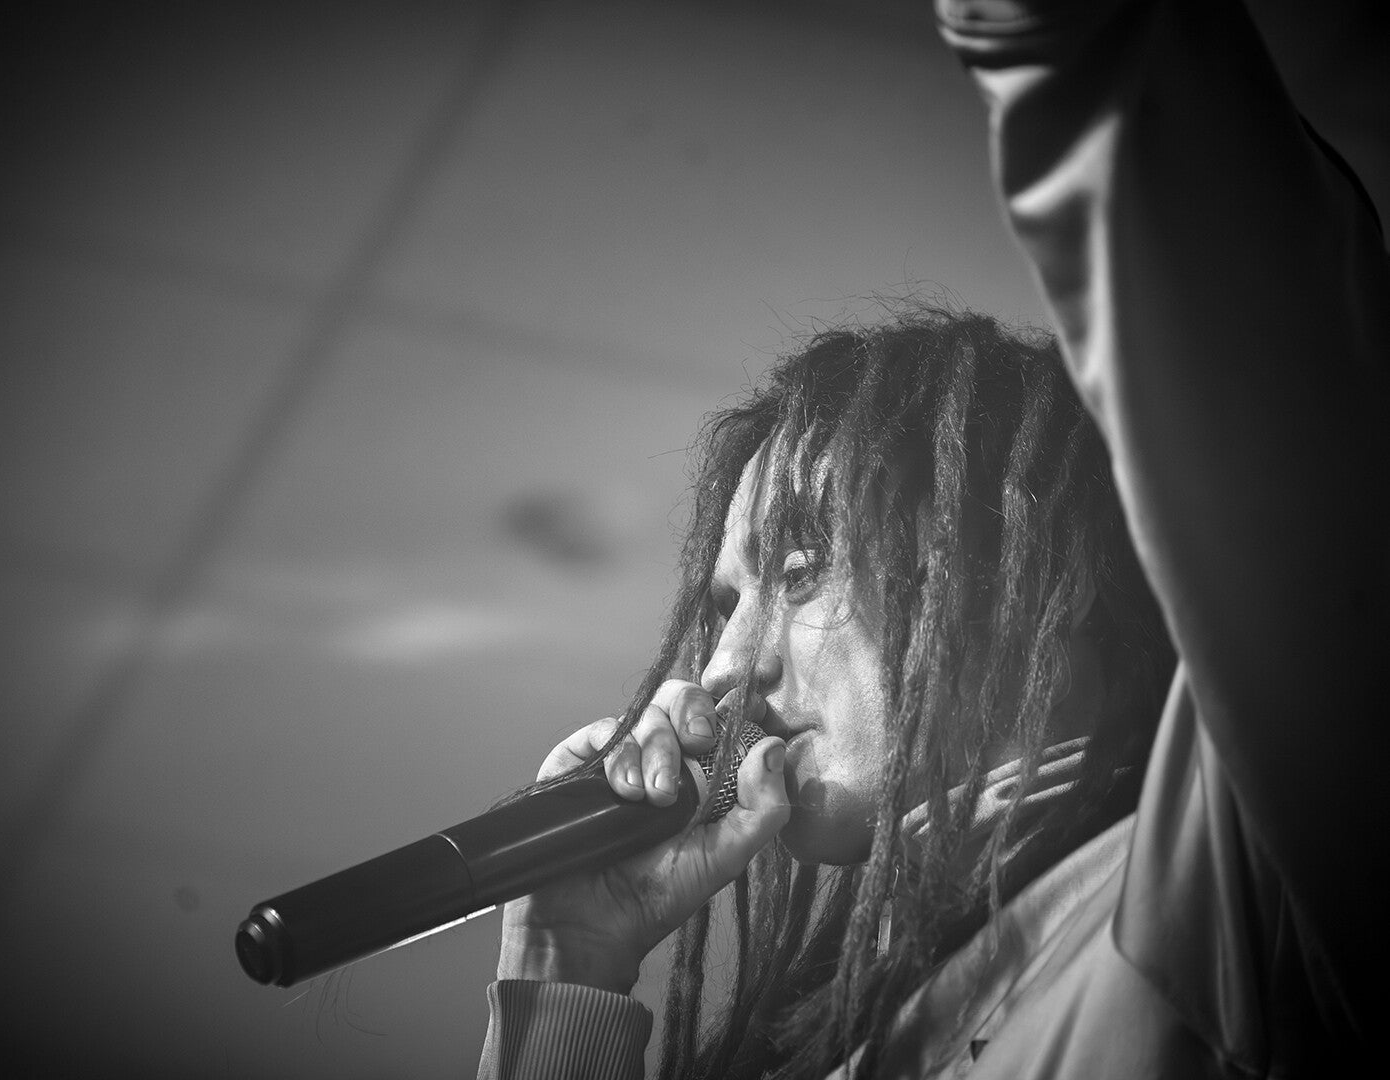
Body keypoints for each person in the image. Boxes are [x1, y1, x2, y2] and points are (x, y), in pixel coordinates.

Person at [479, 0, 1386, 1076]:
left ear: (1031, 579)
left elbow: (1270, 341)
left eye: (800, 570)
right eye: (723, 608)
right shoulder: (843, 1031)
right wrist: (568, 964)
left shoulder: (1241, 875)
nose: (721, 672)